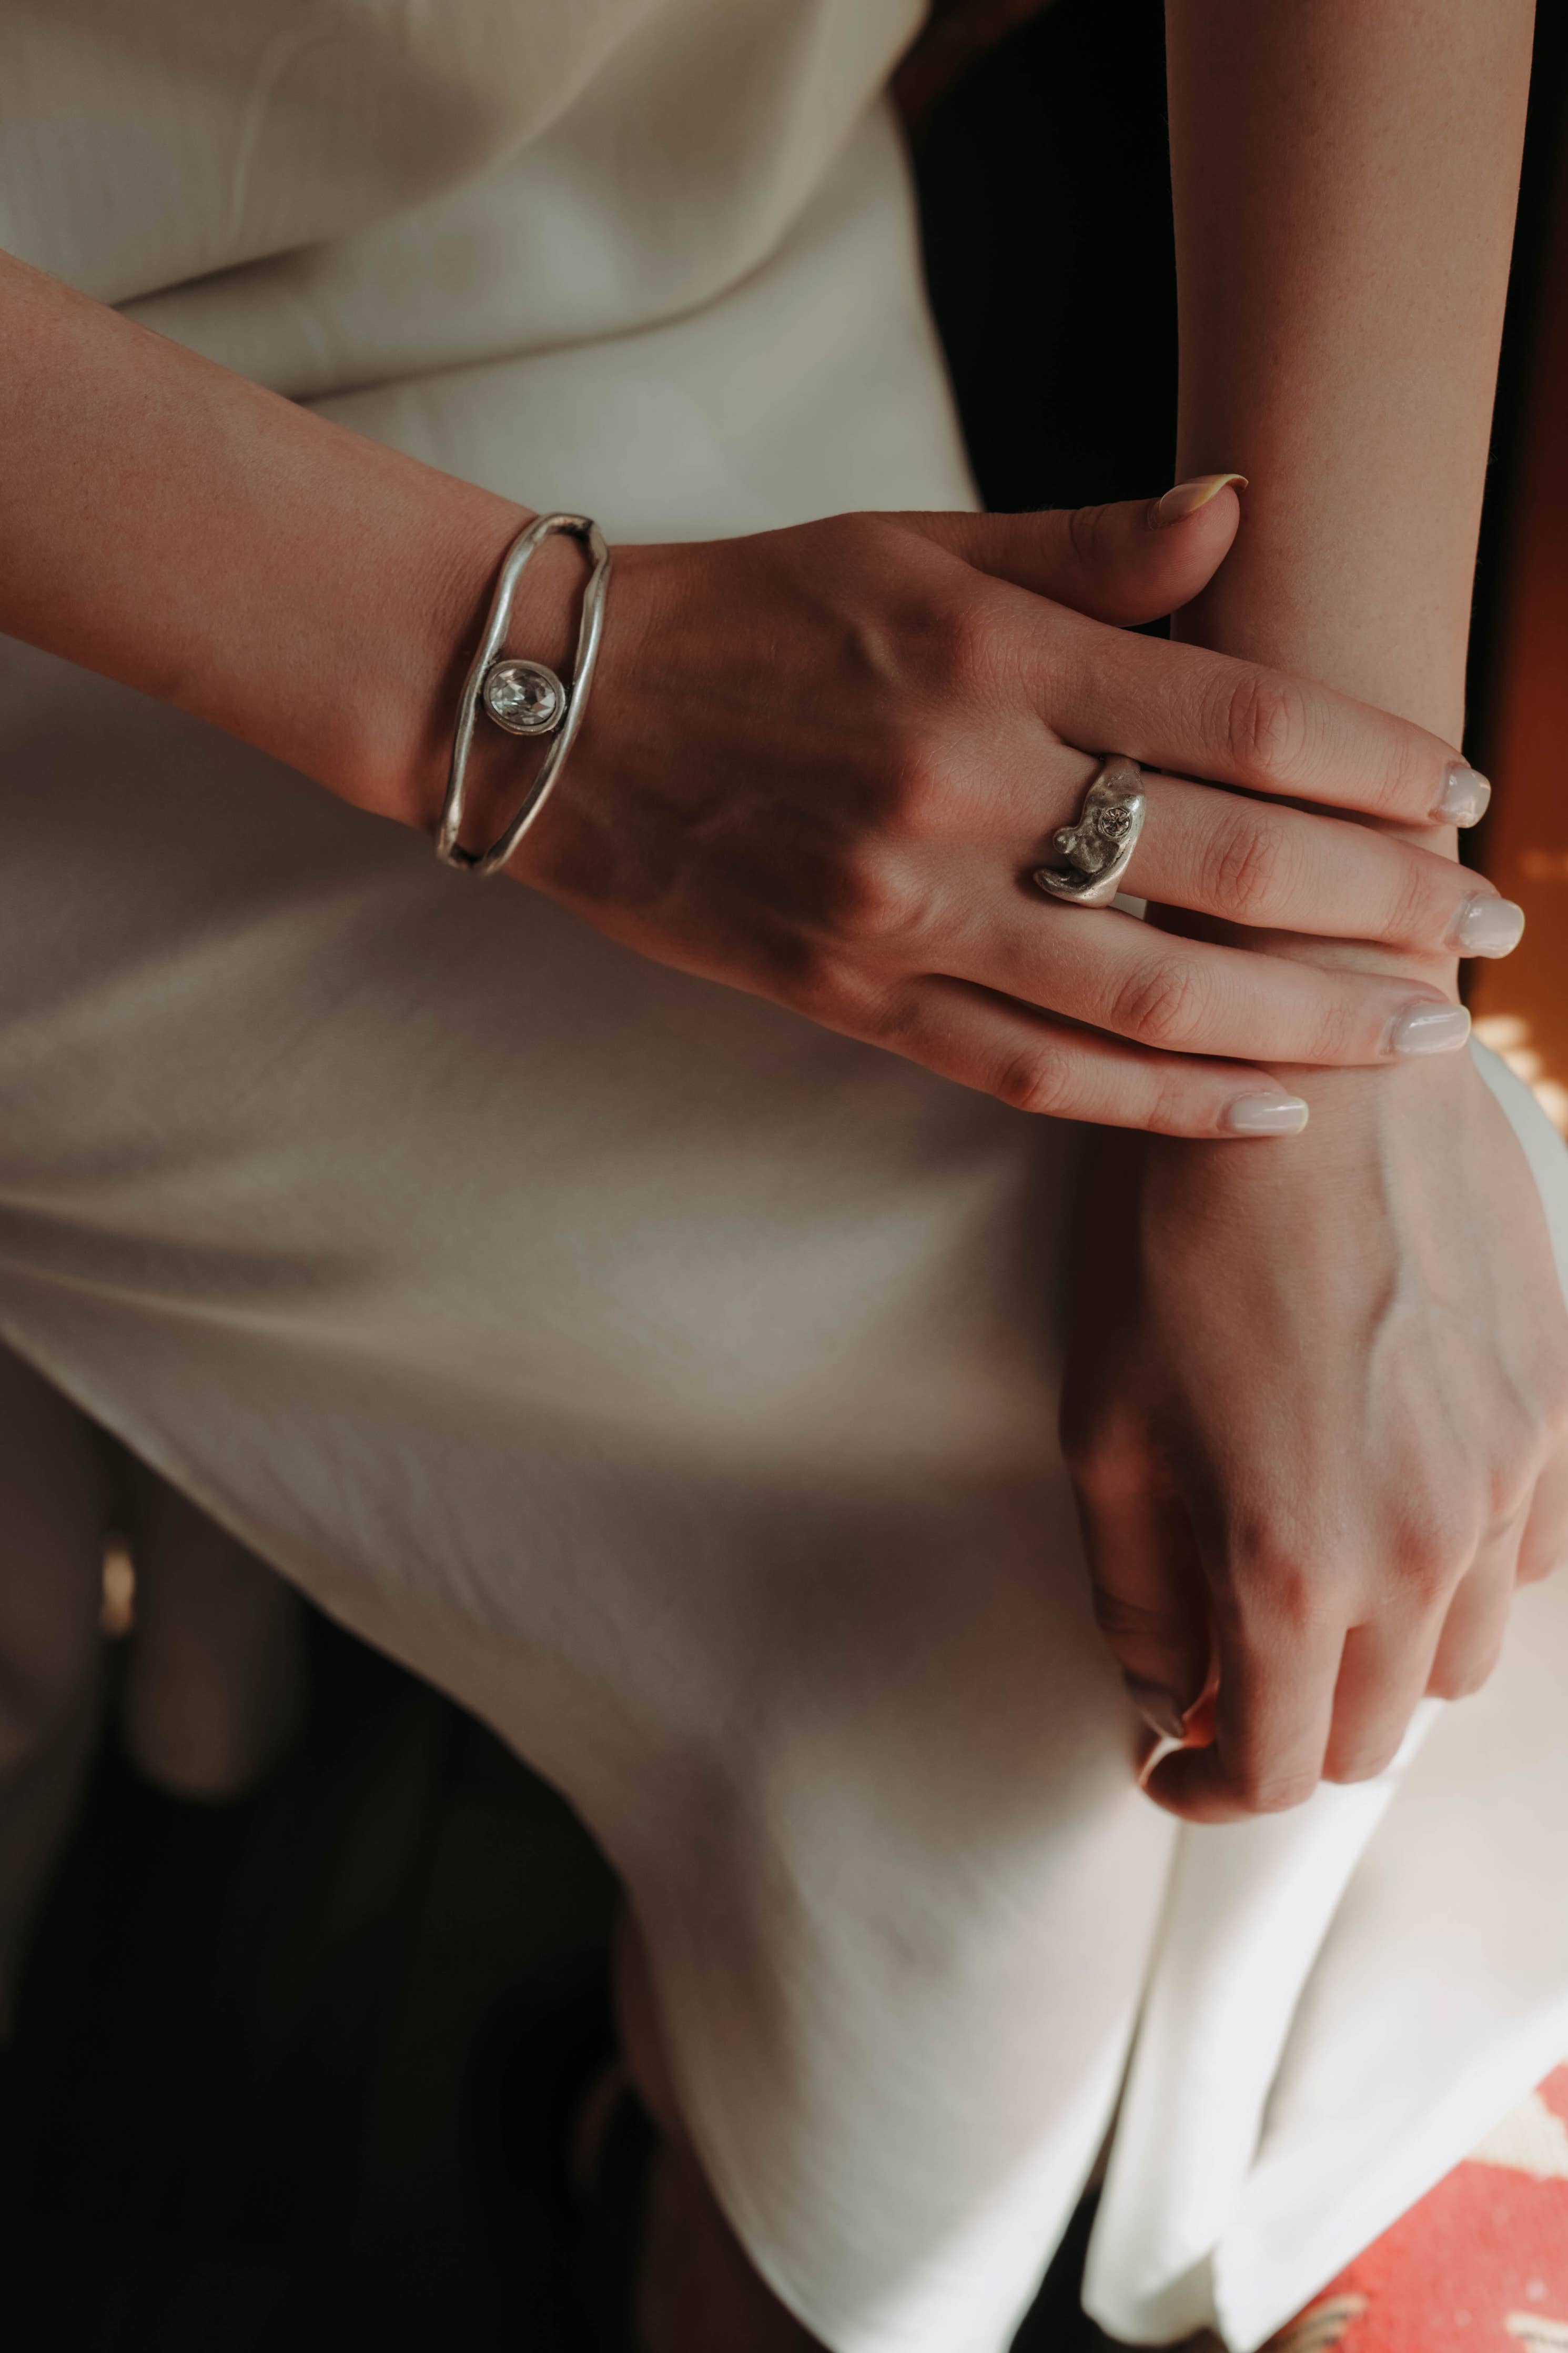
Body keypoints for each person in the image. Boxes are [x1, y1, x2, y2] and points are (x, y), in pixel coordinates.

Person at [0, 3, 1563, 2346]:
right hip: (98, 514)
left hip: (670, 267)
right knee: (1058, 1582)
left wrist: (1316, 1006)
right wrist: (557, 698)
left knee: (1429, 1401)